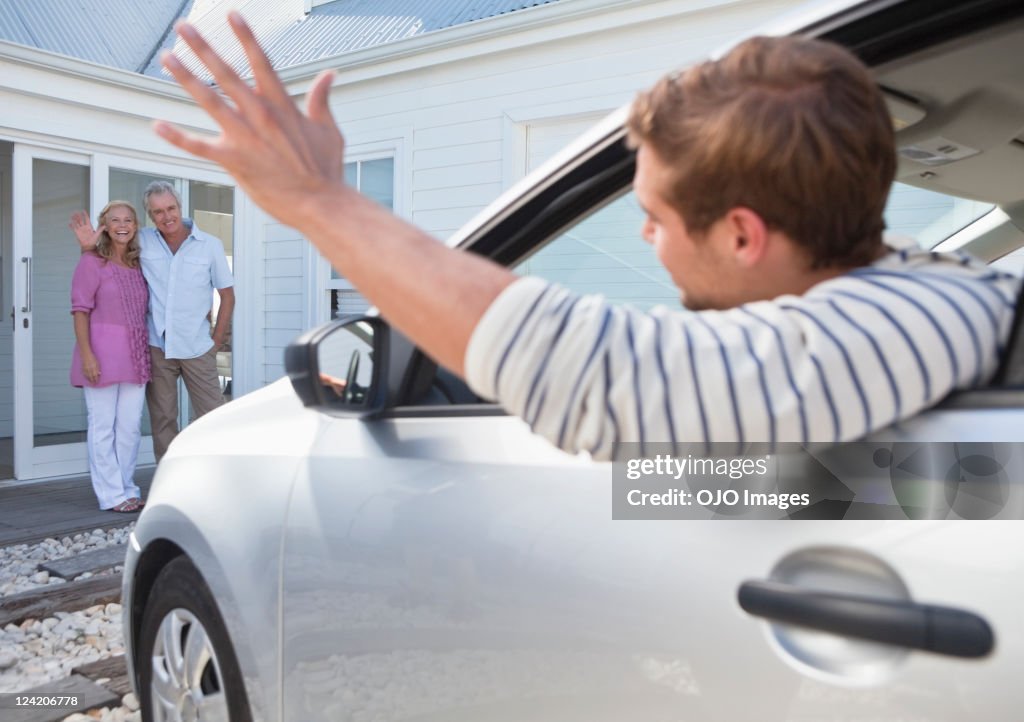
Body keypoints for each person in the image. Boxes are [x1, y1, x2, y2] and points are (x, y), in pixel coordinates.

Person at [153, 15, 1019, 458]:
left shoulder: (911, 322)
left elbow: (605, 379)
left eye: (656, 216)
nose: (643, 236)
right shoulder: (924, 287)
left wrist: (319, 203)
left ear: (745, 235)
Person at [72, 182, 235, 461]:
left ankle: (214, 478)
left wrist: (215, 342)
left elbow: (227, 296)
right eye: (158, 212)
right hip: (157, 347)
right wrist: (88, 249)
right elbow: (110, 261)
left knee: (213, 416)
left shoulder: (210, 245)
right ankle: (170, 484)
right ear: (149, 215)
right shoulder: (142, 240)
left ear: (179, 207)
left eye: (170, 208)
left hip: (197, 346)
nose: (166, 216)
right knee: (163, 421)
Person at [70, 201, 150, 512]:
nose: (122, 224)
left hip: (134, 355)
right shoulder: (91, 262)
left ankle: (127, 488)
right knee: (102, 425)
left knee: (129, 427)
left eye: (128, 219)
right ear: (105, 225)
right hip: (100, 354)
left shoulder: (138, 265)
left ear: (135, 226)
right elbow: (79, 311)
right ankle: (111, 494)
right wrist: (87, 355)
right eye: (114, 219)